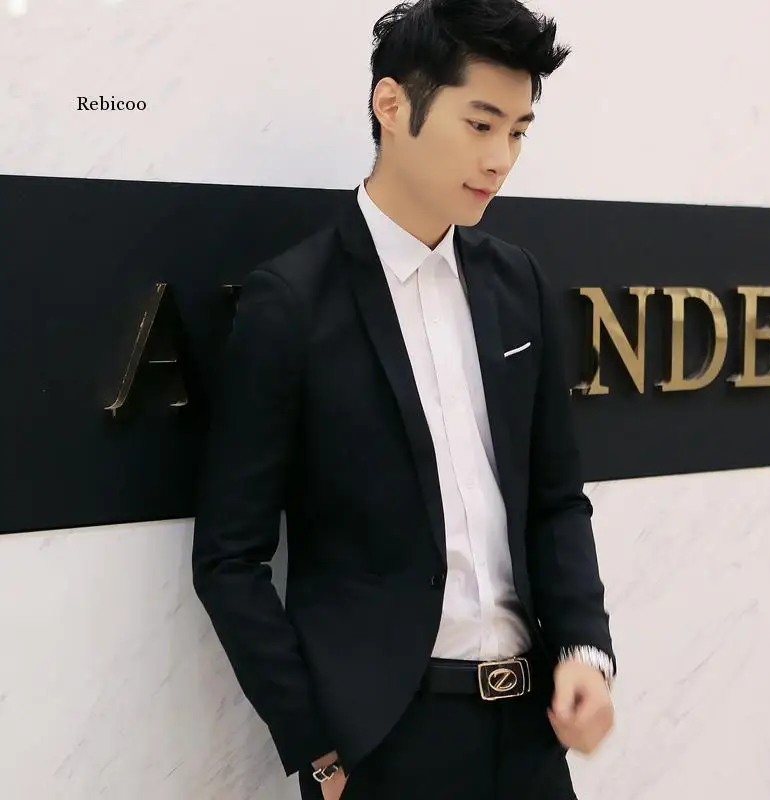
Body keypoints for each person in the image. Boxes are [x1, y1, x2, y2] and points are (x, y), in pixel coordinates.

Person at [191, 1, 616, 797]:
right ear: (391, 104)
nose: (500, 159)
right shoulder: (293, 301)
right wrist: (318, 748)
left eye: (518, 132)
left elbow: (556, 499)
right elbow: (228, 558)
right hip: (388, 742)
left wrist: (585, 649)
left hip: (531, 735)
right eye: (480, 124)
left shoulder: (517, 282)